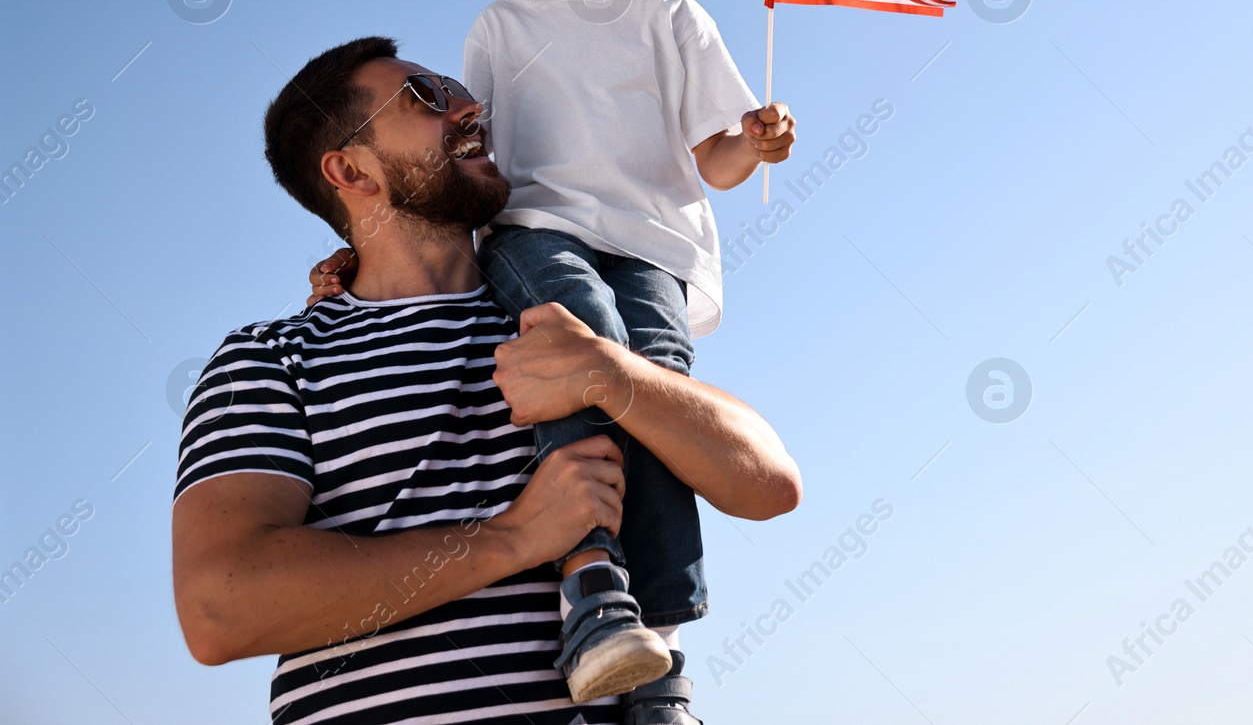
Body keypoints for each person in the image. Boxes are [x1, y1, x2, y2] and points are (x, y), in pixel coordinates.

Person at [308, 0, 798, 708]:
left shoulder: (671, 17)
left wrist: (756, 143)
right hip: (537, 230)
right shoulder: (502, 25)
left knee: (652, 388)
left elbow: (716, 158)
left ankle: (658, 651)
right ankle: (590, 584)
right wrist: (362, 251)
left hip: (652, 247)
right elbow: (461, 153)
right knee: (580, 340)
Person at [172, 38, 802, 725]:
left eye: (455, 87)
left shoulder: (575, 317)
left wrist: (610, 372)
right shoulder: (270, 358)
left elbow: (771, 482)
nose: (470, 106)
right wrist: (514, 536)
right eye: (427, 98)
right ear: (351, 169)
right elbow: (220, 606)